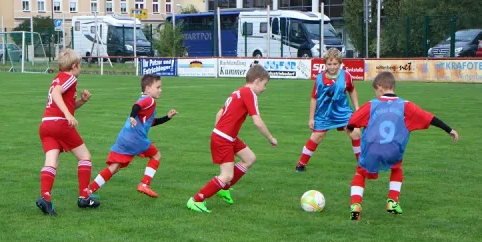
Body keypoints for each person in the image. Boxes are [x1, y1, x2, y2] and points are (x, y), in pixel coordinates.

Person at [346, 71, 459, 220]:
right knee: (396, 168)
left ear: (379, 87)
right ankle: (392, 201)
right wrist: (449, 130)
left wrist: (350, 129)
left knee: (360, 173)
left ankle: (355, 207)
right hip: (393, 149)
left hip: (372, 149)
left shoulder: (371, 104)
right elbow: (430, 118)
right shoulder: (406, 106)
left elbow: (352, 122)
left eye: (375, 90)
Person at [186, 64, 277, 213]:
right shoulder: (250, 93)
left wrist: (219, 131)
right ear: (257, 81)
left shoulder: (237, 92)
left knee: (249, 158)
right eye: (265, 84)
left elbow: (219, 113)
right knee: (227, 175)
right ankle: (196, 200)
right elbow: (257, 122)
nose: (265, 88)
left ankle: (224, 188)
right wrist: (270, 138)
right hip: (224, 138)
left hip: (227, 136)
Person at [82, 74, 177, 200]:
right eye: (158, 87)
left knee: (115, 166)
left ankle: (88, 190)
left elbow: (150, 122)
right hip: (136, 139)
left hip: (124, 138)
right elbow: (136, 107)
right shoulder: (149, 100)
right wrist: (132, 116)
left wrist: (167, 117)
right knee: (157, 155)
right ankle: (144, 184)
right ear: (148, 88)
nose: (160, 90)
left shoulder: (144, 100)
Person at [36, 49, 98, 216]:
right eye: (80, 65)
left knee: (51, 161)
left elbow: (61, 101)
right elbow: (57, 95)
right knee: (85, 156)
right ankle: (84, 197)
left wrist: (81, 102)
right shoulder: (70, 77)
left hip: (46, 125)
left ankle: (45, 198)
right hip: (59, 124)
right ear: (75, 66)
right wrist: (68, 114)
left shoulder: (57, 78)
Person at [295, 48, 360, 172]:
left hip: (343, 111)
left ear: (340, 63)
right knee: (317, 136)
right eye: (329, 64)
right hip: (324, 113)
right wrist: (311, 118)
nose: (332, 67)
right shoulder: (319, 78)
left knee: (355, 133)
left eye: (335, 64)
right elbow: (314, 98)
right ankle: (301, 164)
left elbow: (352, 90)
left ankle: (362, 165)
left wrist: (357, 108)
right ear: (325, 64)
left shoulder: (347, 76)